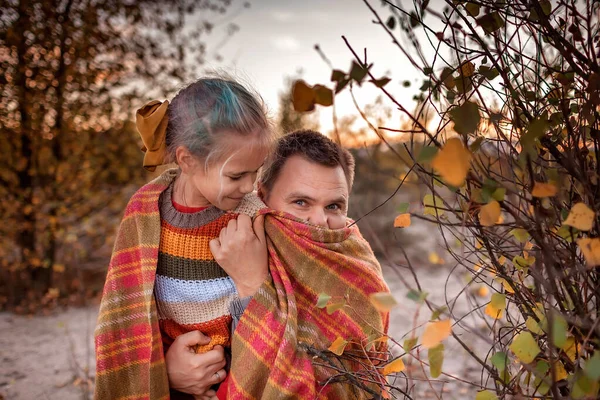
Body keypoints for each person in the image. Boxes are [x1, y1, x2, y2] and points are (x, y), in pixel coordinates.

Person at [168, 130, 390, 399]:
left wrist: (251, 285)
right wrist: (169, 371)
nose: (319, 221)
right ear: (261, 196)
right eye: (300, 202)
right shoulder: (217, 240)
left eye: (333, 206)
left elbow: (354, 379)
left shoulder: (359, 273)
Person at [94, 76, 277, 400]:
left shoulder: (252, 214)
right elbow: (127, 314)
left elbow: (277, 308)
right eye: (236, 175)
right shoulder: (145, 213)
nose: (250, 186)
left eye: (257, 170)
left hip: (241, 373)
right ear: (187, 160)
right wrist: (165, 371)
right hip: (169, 377)